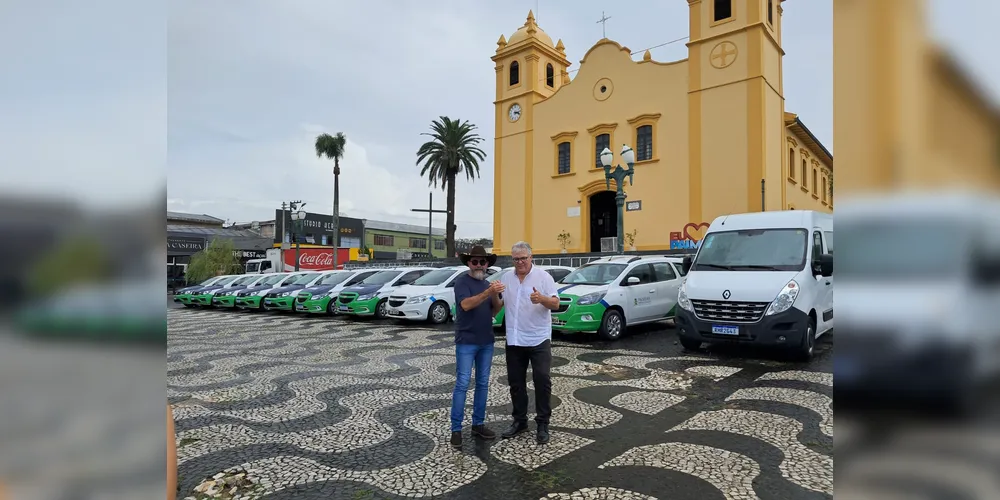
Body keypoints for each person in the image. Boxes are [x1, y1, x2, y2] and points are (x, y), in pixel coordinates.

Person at [498, 241, 560, 444]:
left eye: (523, 258)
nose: (520, 262)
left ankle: (543, 423)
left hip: (538, 338)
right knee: (516, 383)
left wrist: (541, 298)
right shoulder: (507, 277)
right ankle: (520, 421)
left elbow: (556, 303)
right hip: (515, 339)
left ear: (531, 257)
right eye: (516, 259)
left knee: (542, 381)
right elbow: (499, 303)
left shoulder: (544, 277)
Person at [449, 245, 504, 448]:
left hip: (486, 341)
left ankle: (478, 424)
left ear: (487, 264)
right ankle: (456, 429)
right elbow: (466, 305)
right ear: (468, 263)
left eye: (483, 261)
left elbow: (494, 312)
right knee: (462, 384)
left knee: (482, 384)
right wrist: (487, 292)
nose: (479, 265)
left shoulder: (488, 284)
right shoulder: (462, 282)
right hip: (466, 341)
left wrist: (497, 296)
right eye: (475, 261)